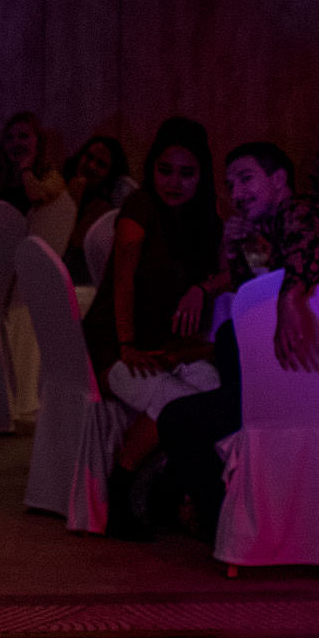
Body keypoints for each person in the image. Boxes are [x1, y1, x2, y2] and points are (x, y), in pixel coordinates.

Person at [160, 141, 319, 535]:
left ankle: (226, 523)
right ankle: (220, 507)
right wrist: (234, 250)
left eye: (246, 179)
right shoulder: (282, 226)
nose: (236, 193)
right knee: (230, 342)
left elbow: (307, 249)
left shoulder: (298, 213)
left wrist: (293, 296)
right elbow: (254, 305)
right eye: (230, 184)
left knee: (177, 419)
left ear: (279, 179)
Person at [84, 117, 224, 539]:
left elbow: (231, 272)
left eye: (187, 173)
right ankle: (123, 486)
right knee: (177, 403)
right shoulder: (140, 207)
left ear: (202, 174)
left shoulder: (206, 216)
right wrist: (126, 345)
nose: (174, 183)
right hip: (115, 342)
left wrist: (202, 286)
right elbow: (122, 278)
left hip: (171, 346)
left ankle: (170, 486)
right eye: (165, 170)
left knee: (215, 391)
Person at [63, 134, 136, 282]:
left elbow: (76, 242)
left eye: (101, 164)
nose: (91, 166)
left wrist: (76, 196)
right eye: (88, 157)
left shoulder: (103, 207)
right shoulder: (59, 185)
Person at [0, 110, 65, 215]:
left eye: (23, 136)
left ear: (38, 142)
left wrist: (25, 169)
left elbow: (37, 197)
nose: (15, 143)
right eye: (9, 138)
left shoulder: (51, 177)